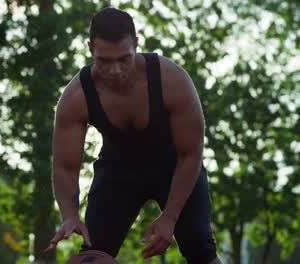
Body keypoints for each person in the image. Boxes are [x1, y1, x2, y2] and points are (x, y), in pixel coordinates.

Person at [45, 7, 223, 264]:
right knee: (94, 252)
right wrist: (69, 214)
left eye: (124, 58)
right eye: (105, 61)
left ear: (136, 44)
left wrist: (170, 218)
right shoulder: (77, 96)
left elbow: (191, 154)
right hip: (118, 171)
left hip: (175, 167)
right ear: (90, 49)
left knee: (199, 246)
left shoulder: (171, 79)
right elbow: (65, 166)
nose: (115, 70)